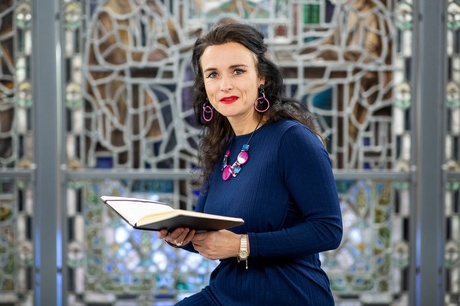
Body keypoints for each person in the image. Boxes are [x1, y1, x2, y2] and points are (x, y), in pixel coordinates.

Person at [158, 21, 343, 305]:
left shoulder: (293, 139)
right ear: (204, 86)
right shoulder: (222, 146)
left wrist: (243, 245)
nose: (225, 85)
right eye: (213, 74)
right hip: (225, 293)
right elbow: (213, 236)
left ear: (262, 78)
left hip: (288, 295)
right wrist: (181, 237)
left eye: (238, 71)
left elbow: (328, 230)